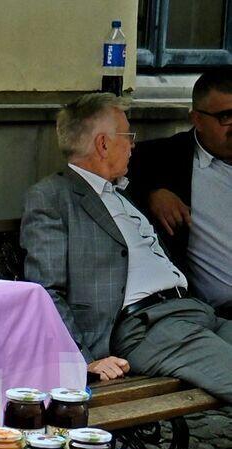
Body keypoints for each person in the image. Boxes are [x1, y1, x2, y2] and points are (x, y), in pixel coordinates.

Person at [20, 92, 232, 400]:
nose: (133, 146)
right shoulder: (53, 196)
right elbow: (45, 289)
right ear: (103, 144)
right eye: (128, 137)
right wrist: (82, 358)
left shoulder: (122, 194)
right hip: (147, 326)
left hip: (195, 312)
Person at [127, 68, 232, 314]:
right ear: (197, 119)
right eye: (226, 116)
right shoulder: (164, 159)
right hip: (214, 313)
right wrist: (152, 192)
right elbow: (110, 170)